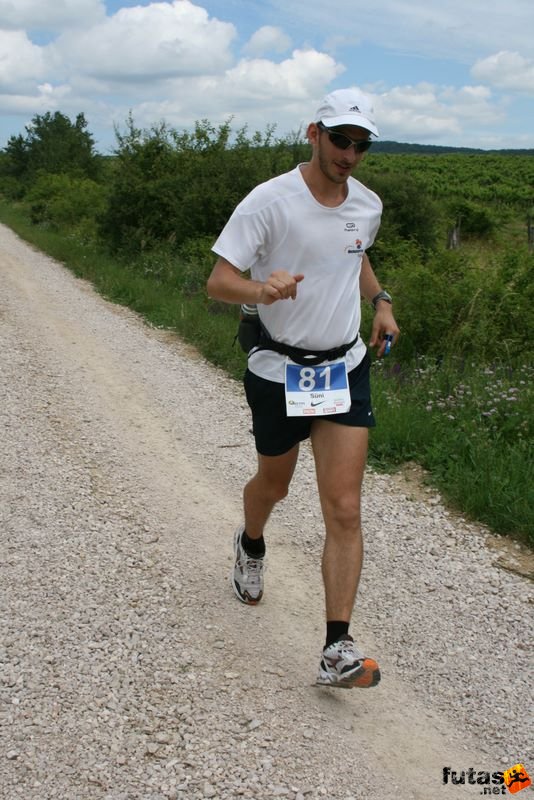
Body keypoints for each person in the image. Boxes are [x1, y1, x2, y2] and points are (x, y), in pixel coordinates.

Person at [207, 88, 399, 689]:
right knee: (275, 484)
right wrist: (261, 290)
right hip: (280, 369)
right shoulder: (270, 202)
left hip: (343, 364)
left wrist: (381, 300)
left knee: (344, 507)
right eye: (340, 139)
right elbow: (218, 281)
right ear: (314, 132)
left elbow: (354, 254)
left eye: (361, 144)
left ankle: (336, 647)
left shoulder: (366, 205)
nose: (350, 152)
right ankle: (251, 540)